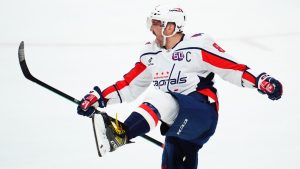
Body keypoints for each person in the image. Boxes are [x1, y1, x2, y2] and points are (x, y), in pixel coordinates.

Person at [77, 4, 283, 169]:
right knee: (174, 158)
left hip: (202, 113)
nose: (152, 28)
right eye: (152, 22)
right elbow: (129, 85)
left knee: (159, 97)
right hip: (176, 121)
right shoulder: (150, 54)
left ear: (171, 27)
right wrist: (100, 97)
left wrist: (260, 81)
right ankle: (128, 135)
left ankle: (120, 135)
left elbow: (231, 68)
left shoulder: (198, 46)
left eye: (157, 23)